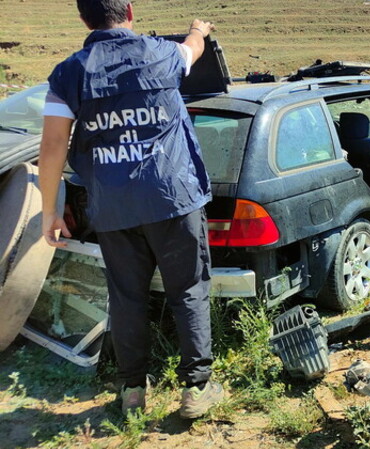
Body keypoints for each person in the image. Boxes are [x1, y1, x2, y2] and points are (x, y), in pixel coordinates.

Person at [38, 0, 224, 418]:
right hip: (173, 198)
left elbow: (51, 148)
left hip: (113, 207)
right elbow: (192, 48)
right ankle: (197, 388)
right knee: (189, 290)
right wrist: (198, 28)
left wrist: (49, 210)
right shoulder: (162, 53)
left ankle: (133, 392)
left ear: (84, 19)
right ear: (130, 12)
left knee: (127, 298)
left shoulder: (68, 74)